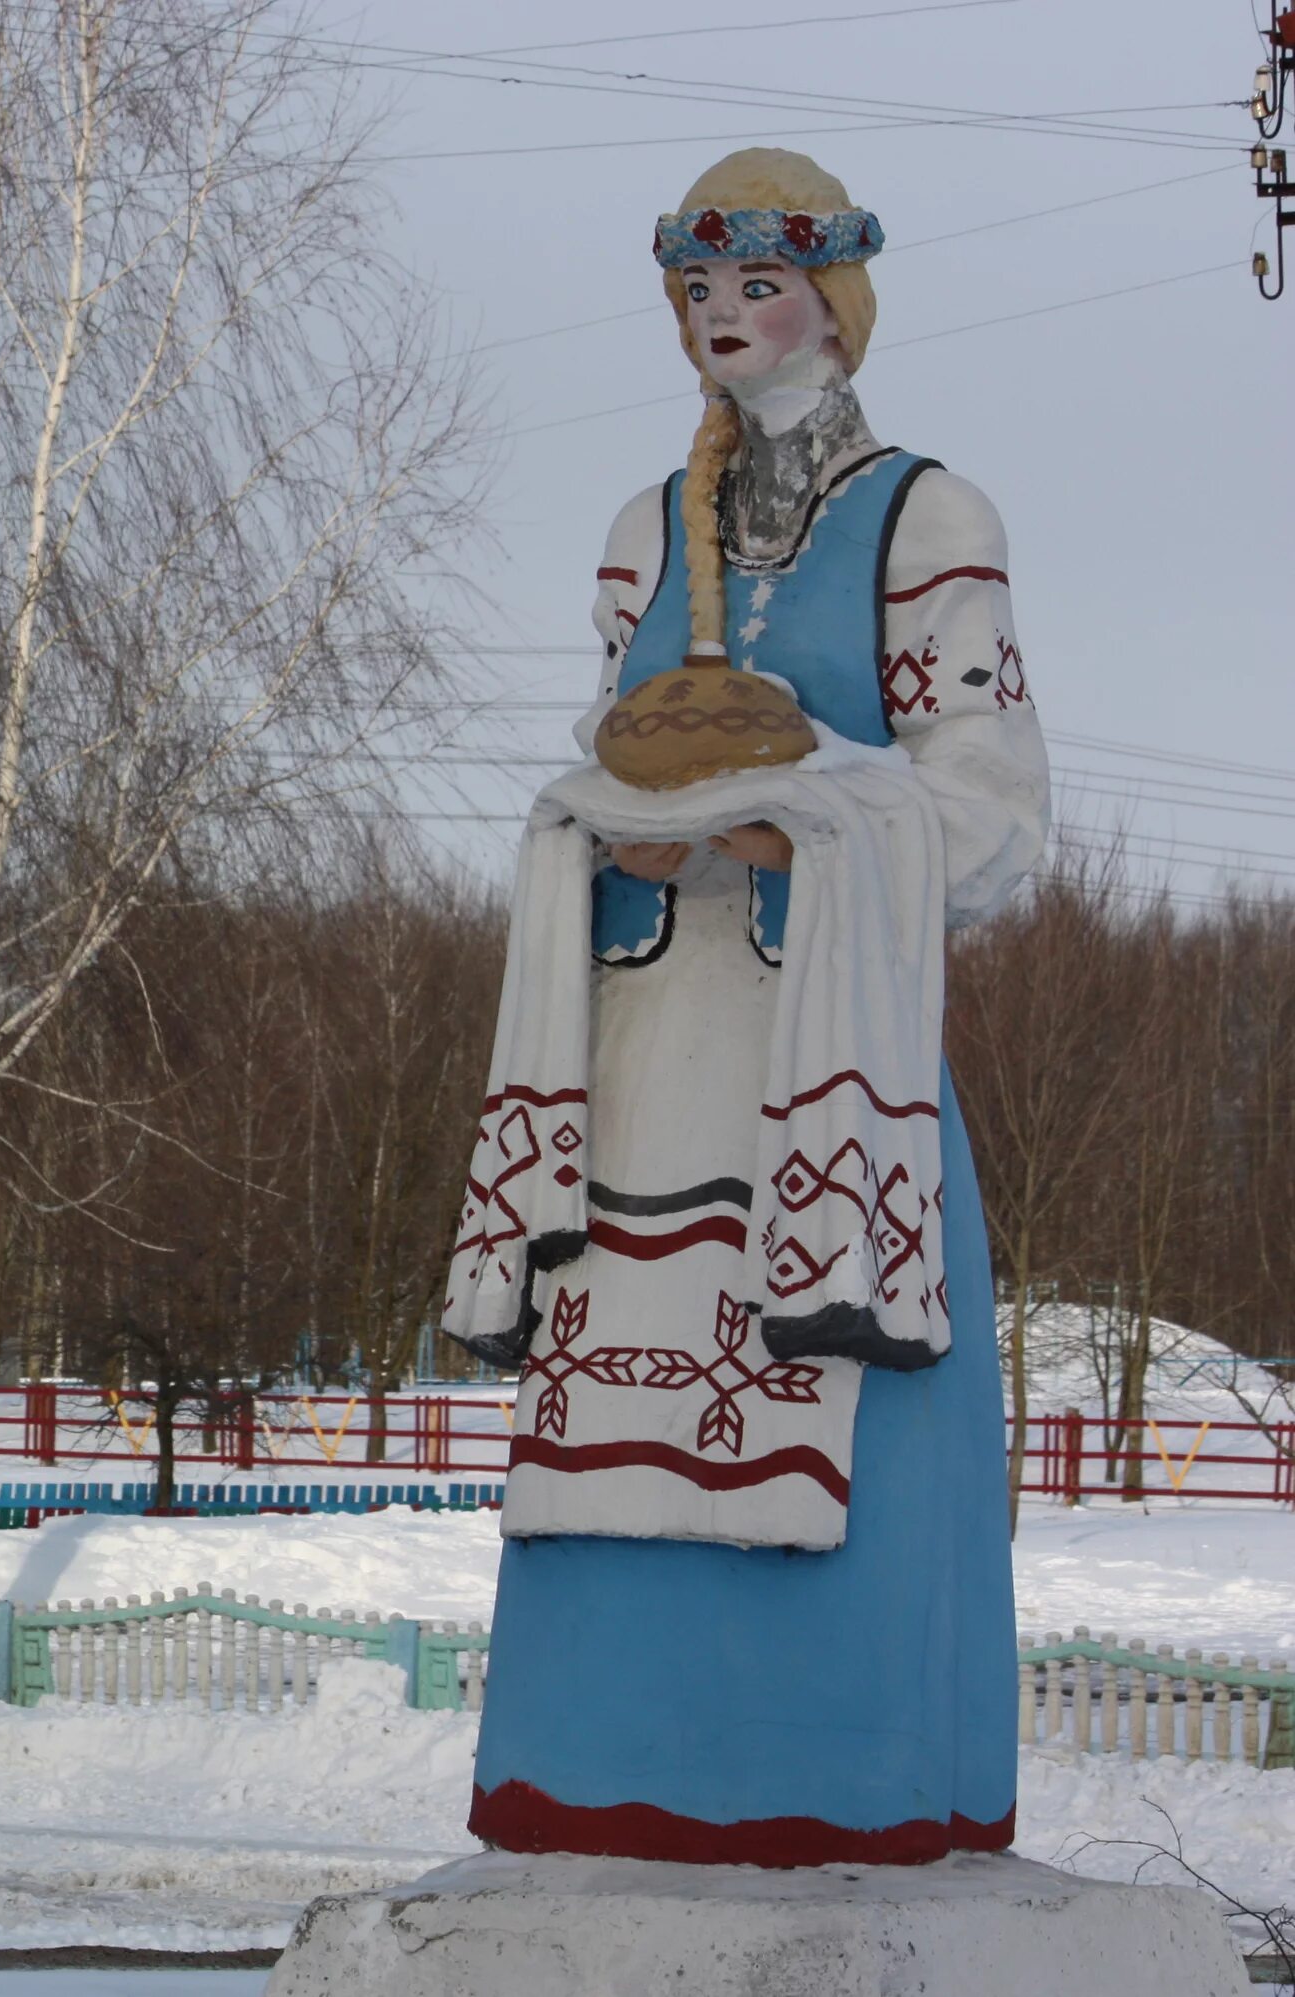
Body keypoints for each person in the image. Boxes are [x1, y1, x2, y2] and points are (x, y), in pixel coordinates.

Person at [457, 149, 1049, 1865]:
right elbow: (610, 748)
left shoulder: (933, 523)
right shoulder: (649, 528)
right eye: (696, 290)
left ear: (837, 299)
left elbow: (994, 818)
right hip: (643, 1061)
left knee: (851, 1423)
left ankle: (833, 1782)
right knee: (610, 1410)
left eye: (757, 284)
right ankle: (592, 1778)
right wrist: (624, 811)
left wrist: (815, 809)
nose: (723, 318)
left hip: (825, 1073)